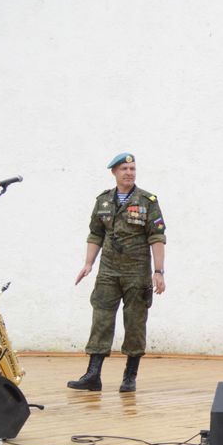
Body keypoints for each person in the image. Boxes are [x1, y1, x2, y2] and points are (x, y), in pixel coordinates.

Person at [68, 153, 166, 393]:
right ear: (114, 172)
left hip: (136, 272)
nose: (129, 172)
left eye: (132, 168)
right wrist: (88, 263)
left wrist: (158, 271)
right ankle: (93, 375)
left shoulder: (147, 201)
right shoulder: (103, 201)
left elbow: (157, 236)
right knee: (100, 320)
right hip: (108, 271)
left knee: (134, 323)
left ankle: (129, 376)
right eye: (124, 168)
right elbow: (95, 234)